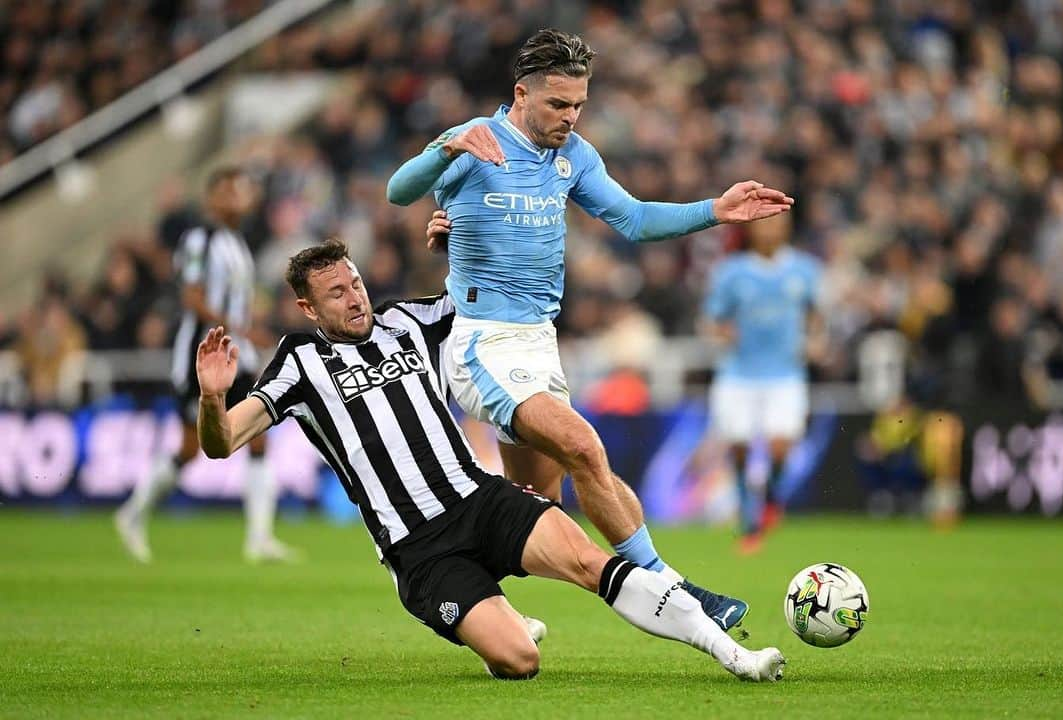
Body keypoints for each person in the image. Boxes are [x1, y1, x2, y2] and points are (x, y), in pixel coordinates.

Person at [193, 239, 786, 681]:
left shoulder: (407, 321)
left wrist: (461, 238)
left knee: (588, 561)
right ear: (307, 308)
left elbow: (482, 296)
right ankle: (497, 618)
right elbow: (222, 444)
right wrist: (214, 398)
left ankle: (731, 654)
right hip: (419, 548)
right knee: (519, 662)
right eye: (337, 294)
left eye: (355, 284)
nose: (355, 300)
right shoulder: (297, 363)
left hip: (479, 498)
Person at [387, 28, 793, 631]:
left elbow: (633, 219)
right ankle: (675, 589)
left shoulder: (574, 155)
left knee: (536, 508)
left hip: (538, 342)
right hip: (480, 340)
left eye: (579, 104)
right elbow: (400, 192)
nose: (570, 117)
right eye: (558, 104)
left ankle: (450, 587)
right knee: (585, 447)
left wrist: (716, 210)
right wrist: (444, 152)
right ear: (521, 94)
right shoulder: (473, 140)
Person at [115, 167, 297, 563]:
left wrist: (250, 329)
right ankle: (132, 513)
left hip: (239, 355)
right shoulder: (201, 238)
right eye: (230, 191)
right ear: (212, 198)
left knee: (259, 433)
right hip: (203, 356)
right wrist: (242, 330)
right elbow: (192, 298)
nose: (239, 199)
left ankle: (259, 537)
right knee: (190, 448)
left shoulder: (237, 243)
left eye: (242, 191)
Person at [700, 213, 823, 553]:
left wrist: (814, 337)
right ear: (751, 228)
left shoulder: (805, 269)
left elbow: (816, 313)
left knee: (780, 446)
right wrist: (723, 332)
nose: (770, 228)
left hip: (785, 372)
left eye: (776, 222)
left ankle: (769, 503)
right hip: (738, 373)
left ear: (786, 227)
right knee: (738, 445)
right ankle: (746, 513)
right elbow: (713, 318)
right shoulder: (732, 272)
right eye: (763, 222)